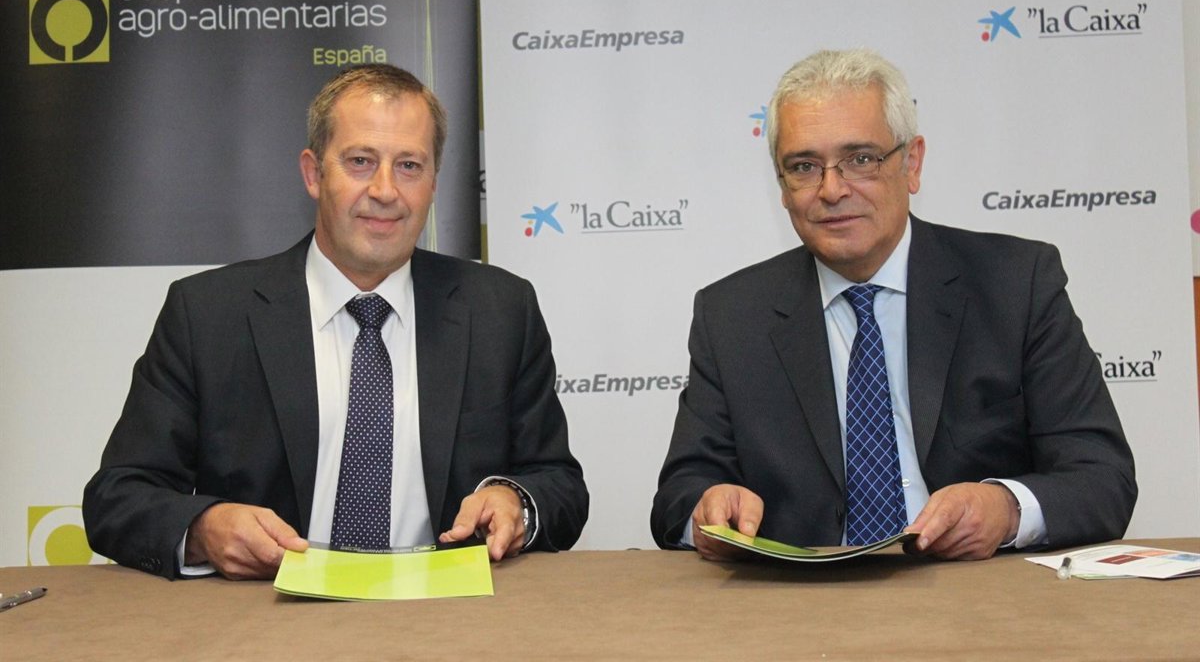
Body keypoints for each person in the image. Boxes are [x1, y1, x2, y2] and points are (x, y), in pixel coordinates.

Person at [84, 64, 588, 580]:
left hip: (445, 610)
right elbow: (118, 496)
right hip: (263, 613)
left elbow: (559, 484)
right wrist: (203, 528)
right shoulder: (209, 314)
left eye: (409, 165)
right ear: (313, 173)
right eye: (360, 161)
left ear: (434, 183)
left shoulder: (501, 310)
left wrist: (515, 501)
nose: (385, 190)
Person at [651, 49, 1135, 561]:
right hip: (801, 597)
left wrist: (1006, 508)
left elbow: (1102, 478)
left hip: (974, 590)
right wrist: (708, 509)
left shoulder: (1016, 284)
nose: (832, 189)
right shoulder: (731, 315)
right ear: (783, 187)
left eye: (860, 159)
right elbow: (678, 497)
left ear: (912, 163)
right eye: (804, 167)